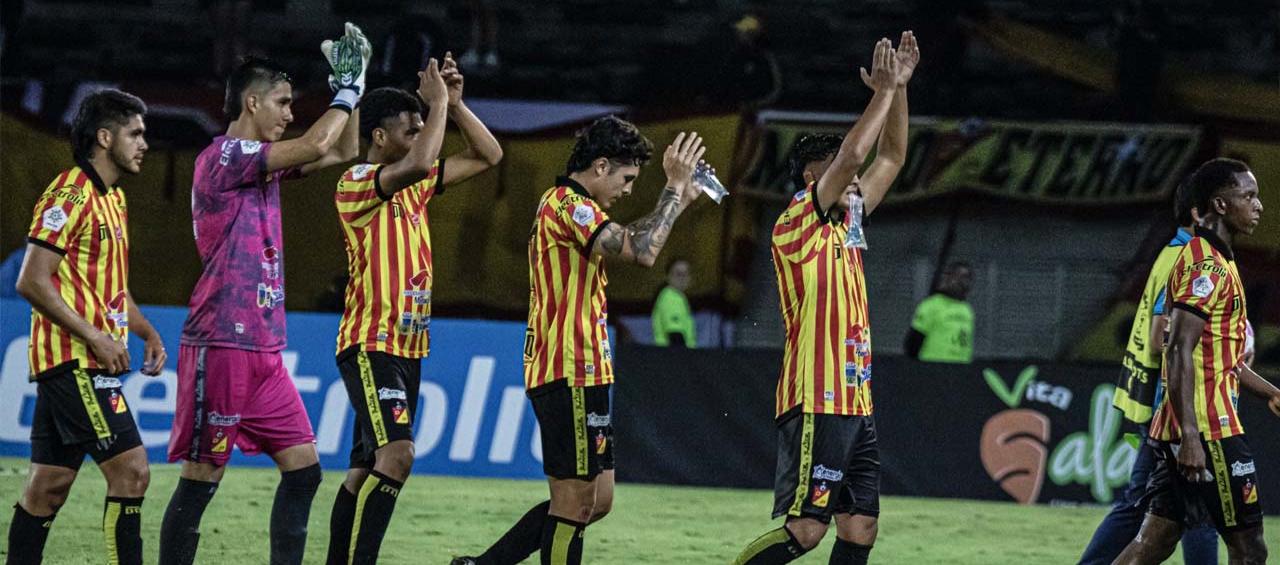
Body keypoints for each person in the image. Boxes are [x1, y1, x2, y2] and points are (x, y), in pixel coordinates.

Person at [453, 117, 709, 565]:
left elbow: (631, 239)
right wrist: (672, 187)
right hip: (565, 367)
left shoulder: (575, 210)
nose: (629, 190)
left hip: (586, 370)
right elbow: (643, 252)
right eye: (627, 179)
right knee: (573, 502)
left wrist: (680, 200)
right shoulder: (568, 204)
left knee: (597, 500)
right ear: (601, 165)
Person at [158, 26, 369, 565]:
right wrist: (341, 92)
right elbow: (320, 141)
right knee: (203, 475)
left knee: (304, 470)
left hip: (264, 348)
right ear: (251, 102)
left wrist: (357, 89)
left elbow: (342, 148)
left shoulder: (261, 162)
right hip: (221, 342)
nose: (288, 114)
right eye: (281, 103)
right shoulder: (224, 157)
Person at [732, 32, 916, 565]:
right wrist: (881, 91)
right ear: (816, 175)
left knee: (860, 526)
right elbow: (860, 150)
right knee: (808, 529)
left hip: (856, 402)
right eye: (843, 172)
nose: (856, 177)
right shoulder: (797, 221)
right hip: (817, 397)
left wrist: (900, 88)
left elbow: (893, 155)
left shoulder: (847, 223)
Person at [323, 52, 503, 564]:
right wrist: (439, 100)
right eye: (411, 128)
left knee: (365, 468)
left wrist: (458, 104)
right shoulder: (356, 183)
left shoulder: (415, 186)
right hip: (370, 343)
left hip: (408, 344)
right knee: (398, 456)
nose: (423, 134)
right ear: (379, 137)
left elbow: (489, 155)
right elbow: (422, 160)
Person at [7, 89, 165, 565]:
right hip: (74, 359)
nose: (144, 144)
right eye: (135, 133)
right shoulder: (68, 193)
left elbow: (110, 287)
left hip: (85, 358)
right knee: (132, 473)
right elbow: (31, 280)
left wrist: (145, 330)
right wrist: (95, 335)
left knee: (47, 488)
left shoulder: (113, 198)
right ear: (104, 137)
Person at [1114, 158, 1275, 564]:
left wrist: (1271, 392)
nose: (1258, 206)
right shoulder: (1205, 266)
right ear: (1220, 205)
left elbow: (1222, 358)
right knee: (1250, 548)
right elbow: (1177, 348)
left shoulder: (1220, 260)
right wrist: (1190, 437)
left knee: (1154, 543)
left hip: (1196, 429)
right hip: (1209, 431)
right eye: (1248, 196)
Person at [1077, 179, 1218, 564]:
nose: (1253, 207)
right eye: (1227, 202)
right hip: (1173, 403)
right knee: (1199, 508)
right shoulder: (1187, 259)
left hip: (1160, 400)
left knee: (1141, 501)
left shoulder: (1175, 253)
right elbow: (1161, 337)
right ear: (1198, 212)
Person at [903, 261, 975, 363]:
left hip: (961, 370)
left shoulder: (967, 310)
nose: (962, 282)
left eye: (967, 278)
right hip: (934, 369)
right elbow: (913, 344)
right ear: (948, 278)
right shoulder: (931, 305)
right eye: (959, 277)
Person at [652, 258, 696, 347]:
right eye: (678, 274)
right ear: (667, 277)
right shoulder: (671, 297)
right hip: (672, 357)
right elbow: (675, 334)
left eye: (686, 274)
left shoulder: (680, 298)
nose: (683, 278)